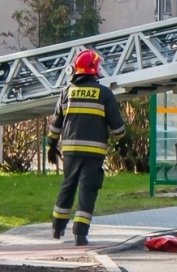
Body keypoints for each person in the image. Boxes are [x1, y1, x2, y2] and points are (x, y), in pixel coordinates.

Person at [46, 49, 126, 246]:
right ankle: (80, 234)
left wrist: (51, 145)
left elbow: (56, 122)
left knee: (68, 185)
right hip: (94, 152)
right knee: (88, 190)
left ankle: (57, 228)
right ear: (94, 69)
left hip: (71, 150)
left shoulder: (67, 92)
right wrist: (122, 142)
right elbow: (117, 125)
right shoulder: (104, 93)